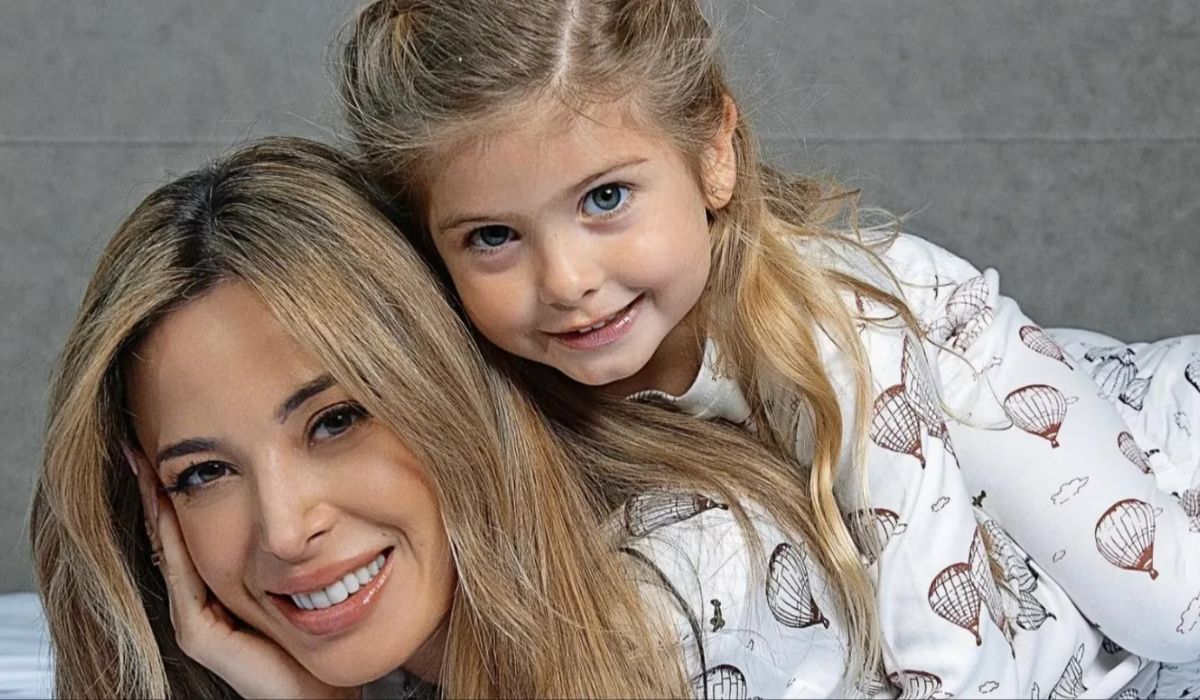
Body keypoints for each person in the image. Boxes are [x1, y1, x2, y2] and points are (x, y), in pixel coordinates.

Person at [337, 0, 1200, 694]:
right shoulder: (499, 387)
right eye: (493, 236)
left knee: (1167, 608)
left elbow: (951, 645)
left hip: (970, 365)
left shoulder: (836, 332)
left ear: (714, 153)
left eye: (605, 198)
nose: (565, 281)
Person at [31, 136, 900, 699]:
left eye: (336, 420)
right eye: (204, 474)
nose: (287, 531)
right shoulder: (358, 661)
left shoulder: (697, 583)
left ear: (448, 377)